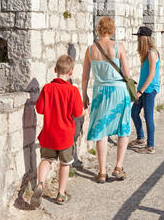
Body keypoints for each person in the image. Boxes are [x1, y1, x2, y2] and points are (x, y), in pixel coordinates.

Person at [31, 55, 88, 207]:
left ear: (55, 70)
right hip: (65, 136)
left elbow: (40, 109)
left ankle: (40, 184)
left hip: (49, 133)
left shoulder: (47, 88)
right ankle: (61, 194)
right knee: (65, 163)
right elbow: (77, 113)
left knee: (46, 160)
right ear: (71, 72)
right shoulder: (73, 90)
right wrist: (85, 112)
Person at [82, 16, 131, 183]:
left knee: (101, 130)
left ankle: (102, 171)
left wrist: (84, 94)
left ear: (98, 29)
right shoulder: (118, 47)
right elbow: (127, 73)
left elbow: (85, 76)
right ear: (112, 30)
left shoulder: (90, 50)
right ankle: (118, 166)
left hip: (100, 92)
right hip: (119, 90)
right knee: (123, 128)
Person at [128, 26, 160, 154]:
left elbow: (151, 75)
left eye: (138, 37)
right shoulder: (145, 53)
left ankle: (150, 146)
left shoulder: (152, 53)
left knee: (148, 116)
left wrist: (140, 92)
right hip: (142, 89)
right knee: (134, 112)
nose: (137, 40)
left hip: (149, 90)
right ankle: (140, 138)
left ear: (143, 39)